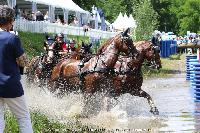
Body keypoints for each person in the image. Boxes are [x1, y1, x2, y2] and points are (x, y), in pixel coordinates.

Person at [0, 5, 33, 133]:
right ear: (10, 21)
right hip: (10, 85)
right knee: (23, 117)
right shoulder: (13, 38)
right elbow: (24, 62)